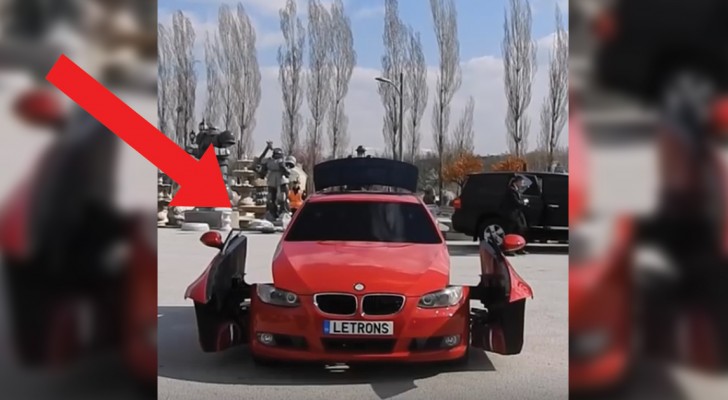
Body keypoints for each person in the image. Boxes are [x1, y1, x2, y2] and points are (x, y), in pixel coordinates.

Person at [501, 175, 529, 255]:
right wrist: (524, 203)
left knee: (520, 230)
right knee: (510, 232)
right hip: (511, 214)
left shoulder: (517, 190)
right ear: (516, 182)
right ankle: (508, 249)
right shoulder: (511, 190)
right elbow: (515, 202)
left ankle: (519, 248)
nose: (522, 184)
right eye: (521, 182)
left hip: (517, 214)